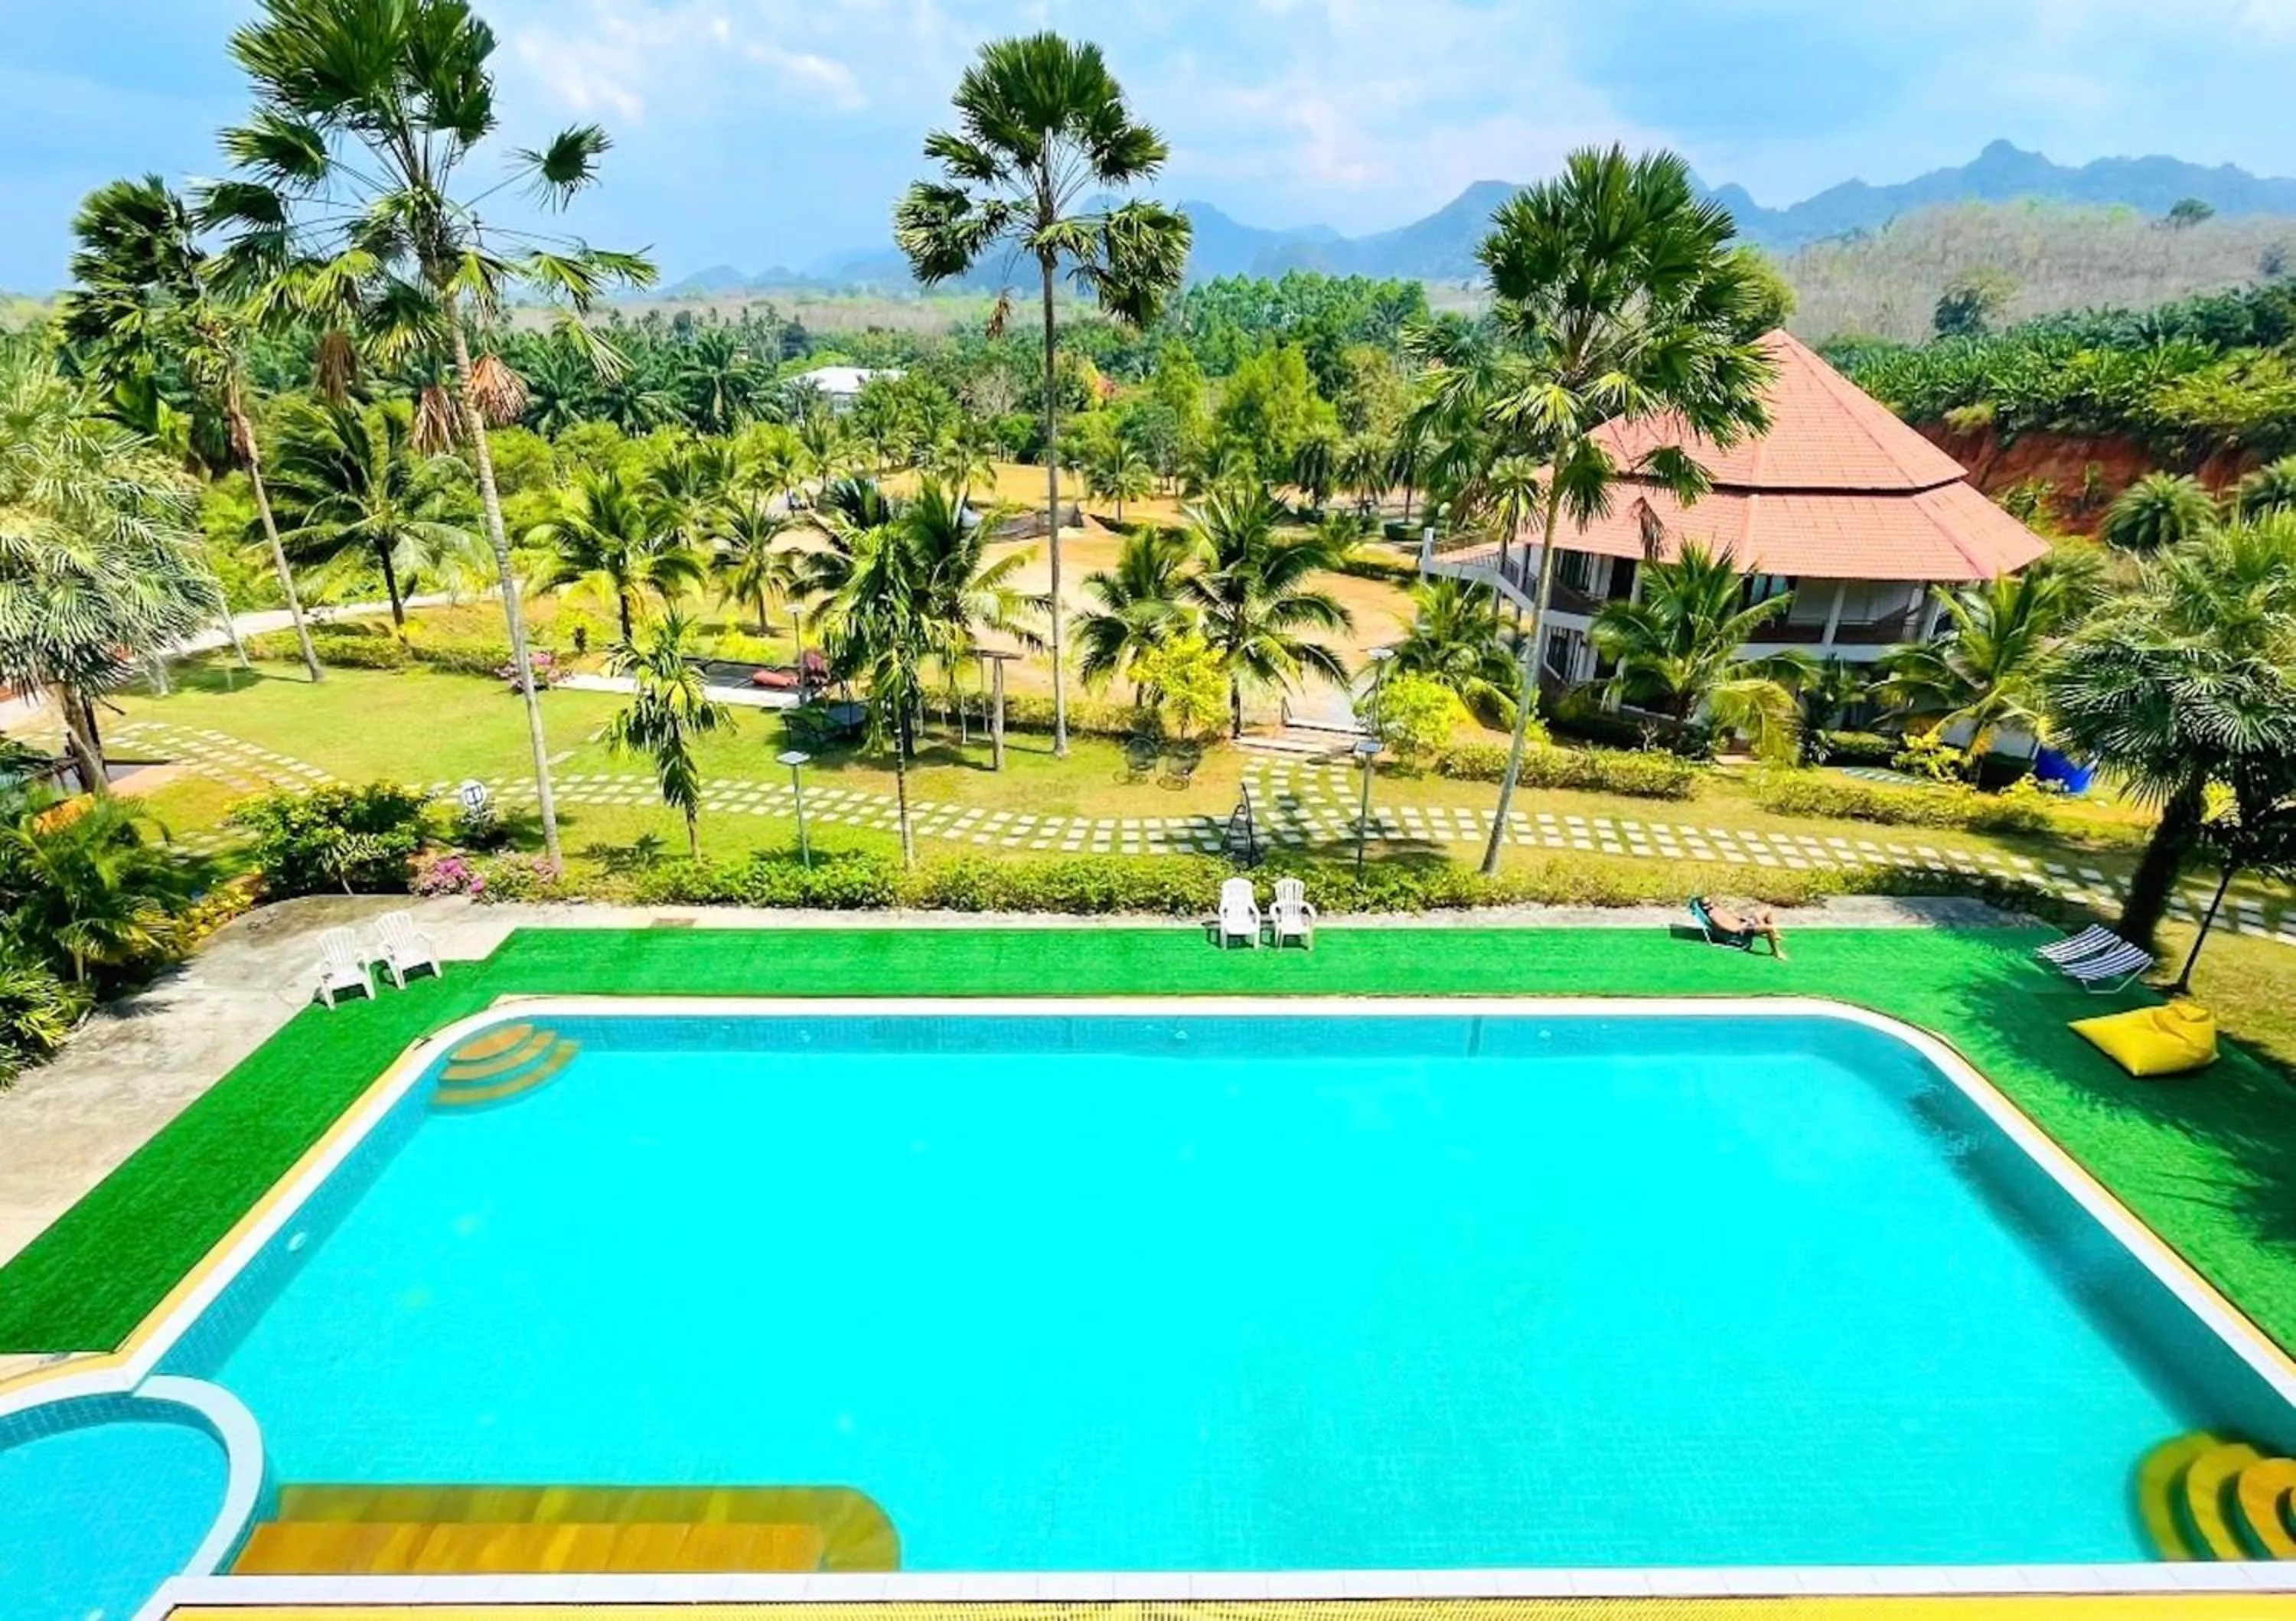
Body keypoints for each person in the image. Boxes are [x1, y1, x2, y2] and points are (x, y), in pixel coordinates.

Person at [1704, 897, 1789, 961]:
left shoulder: (1716, 909)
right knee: (1769, 928)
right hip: (1741, 931)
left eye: (1710, 902)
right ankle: (1776, 951)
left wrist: (1743, 919)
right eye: (1708, 904)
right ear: (1705, 907)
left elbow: (1732, 918)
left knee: (1767, 910)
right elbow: (1726, 928)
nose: (1711, 904)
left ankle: (1774, 935)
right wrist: (1743, 926)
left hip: (1742, 924)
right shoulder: (1713, 916)